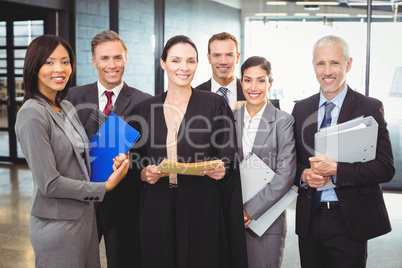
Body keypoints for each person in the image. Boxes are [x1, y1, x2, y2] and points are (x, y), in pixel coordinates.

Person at [130, 35, 248, 268]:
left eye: (190, 61)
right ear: (163, 63)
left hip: (201, 204)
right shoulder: (144, 109)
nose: (184, 68)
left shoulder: (214, 104)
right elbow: (134, 161)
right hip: (157, 203)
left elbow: (228, 155)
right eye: (176, 61)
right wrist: (144, 174)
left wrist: (222, 169)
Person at [14, 35, 130, 267]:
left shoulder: (65, 106)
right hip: (57, 225)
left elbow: (82, 155)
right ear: (33, 66)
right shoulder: (32, 113)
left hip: (84, 220)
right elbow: (50, 183)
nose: (59, 69)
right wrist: (104, 187)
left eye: (65, 61)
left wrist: (112, 163)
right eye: (49, 62)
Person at [292, 35, 395, 268]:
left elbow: (385, 167)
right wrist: (304, 176)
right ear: (313, 66)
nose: (327, 71)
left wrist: (337, 170)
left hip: (349, 218)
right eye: (321, 63)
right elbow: (291, 162)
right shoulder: (301, 108)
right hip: (310, 217)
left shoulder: (368, 107)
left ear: (348, 64)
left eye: (334, 63)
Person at [66, 30, 151, 267]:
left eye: (117, 57)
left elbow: (147, 155)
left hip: (124, 204)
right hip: (82, 204)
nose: (111, 65)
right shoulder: (72, 97)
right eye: (104, 58)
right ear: (93, 61)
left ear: (126, 59)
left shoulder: (145, 102)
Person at [233, 56, 296, 268]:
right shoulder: (229, 119)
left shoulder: (282, 121)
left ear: (270, 83)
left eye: (261, 80)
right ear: (240, 82)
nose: (254, 87)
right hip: (231, 215)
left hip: (267, 218)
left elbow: (285, 175)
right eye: (248, 80)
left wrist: (250, 210)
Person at [195, 32, 245, 109]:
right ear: (209, 58)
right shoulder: (195, 96)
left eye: (229, 55)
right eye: (217, 55)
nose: (223, 62)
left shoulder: (250, 92)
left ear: (237, 57)